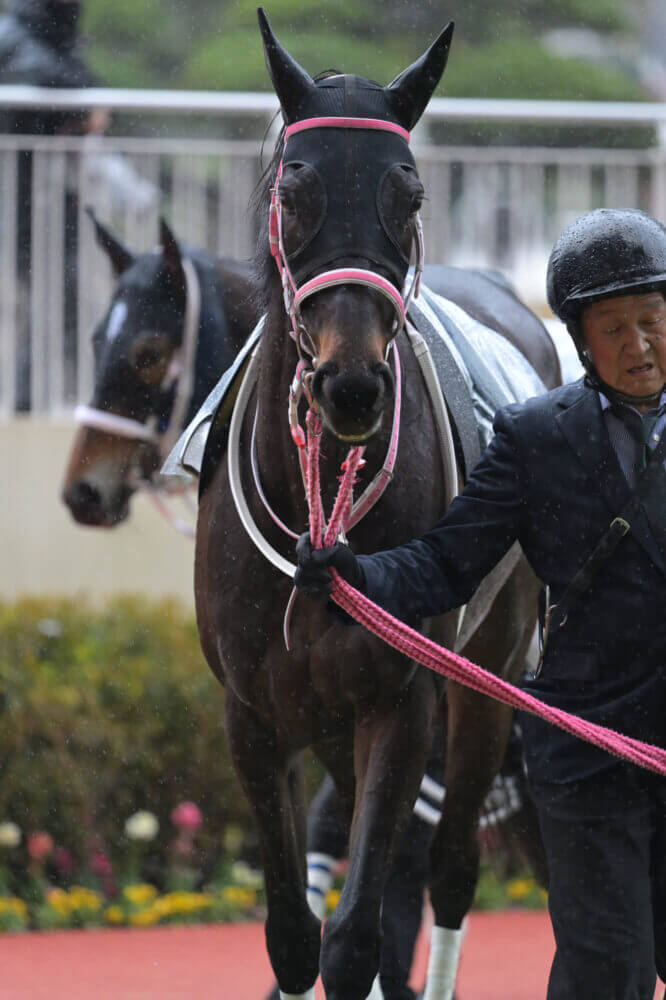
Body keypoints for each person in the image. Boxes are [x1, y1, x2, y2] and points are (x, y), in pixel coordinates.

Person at [295, 207, 666, 1000]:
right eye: (614, 328)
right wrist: (355, 576)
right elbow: (444, 563)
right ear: (578, 339)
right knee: (609, 974)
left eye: (652, 321)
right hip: (587, 754)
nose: (638, 346)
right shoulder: (535, 437)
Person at [0, 0, 108, 410]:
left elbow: (77, 80)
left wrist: (83, 103)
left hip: (42, 204)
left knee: (59, 303)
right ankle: (28, 405)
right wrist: (81, 106)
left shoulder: (49, 31)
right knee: (51, 303)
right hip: (23, 205)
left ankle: (43, 401)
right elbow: (40, 74)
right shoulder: (19, 33)